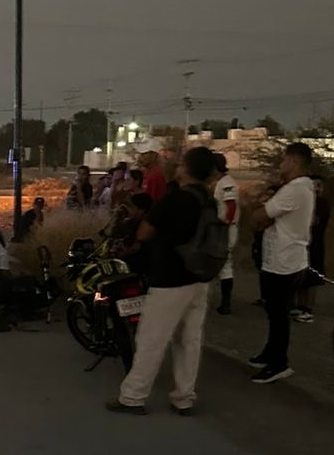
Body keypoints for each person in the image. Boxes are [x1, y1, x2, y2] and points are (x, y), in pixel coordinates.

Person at [106, 145, 219, 415]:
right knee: (189, 341)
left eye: (181, 164)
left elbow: (144, 232)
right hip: (199, 277)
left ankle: (133, 397)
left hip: (171, 278)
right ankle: (184, 398)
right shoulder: (208, 199)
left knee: (151, 339)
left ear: (187, 169)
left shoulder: (176, 198)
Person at [248, 142, 316, 384]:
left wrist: (261, 211)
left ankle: (279, 363)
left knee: (278, 313)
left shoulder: (294, 190)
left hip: (283, 260)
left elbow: (259, 217)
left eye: (284, 159)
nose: (281, 164)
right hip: (284, 258)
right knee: (274, 311)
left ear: (294, 161)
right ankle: (271, 352)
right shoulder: (302, 188)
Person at [293, 175, 330, 324]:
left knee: (313, 278)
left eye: (319, 186)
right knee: (301, 276)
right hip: (302, 243)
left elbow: (313, 221)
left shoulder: (322, 204)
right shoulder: (305, 201)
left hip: (316, 245)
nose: (316, 189)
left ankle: (308, 310)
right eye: (314, 185)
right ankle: (300, 306)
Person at [212, 152, 241, 315]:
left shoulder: (227, 183)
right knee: (224, 264)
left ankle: (226, 303)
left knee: (225, 264)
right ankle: (225, 302)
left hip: (226, 228)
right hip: (224, 227)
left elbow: (231, 205)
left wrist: (225, 223)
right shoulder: (222, 182)